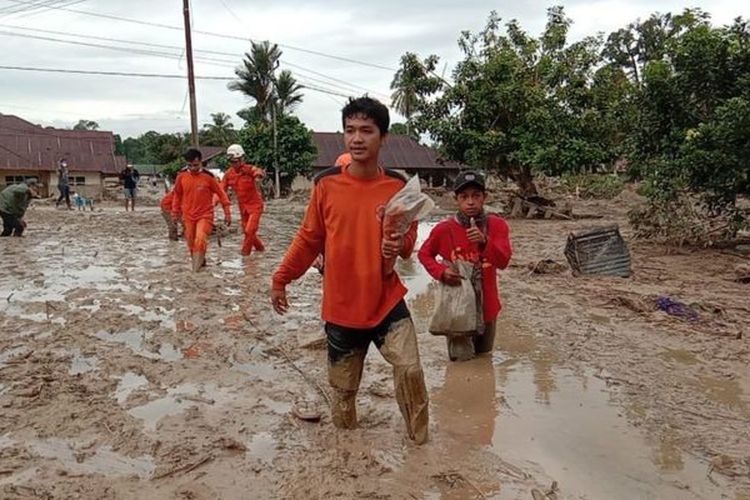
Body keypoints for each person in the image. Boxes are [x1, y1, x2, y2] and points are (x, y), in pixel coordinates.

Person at [271, 97, 429, 444]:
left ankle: (421, 446)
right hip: (342, 308)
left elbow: (406, 247)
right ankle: (348, 451)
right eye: (350, 130)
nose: (357, 138)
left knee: (411, 370)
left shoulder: (398, 185)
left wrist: (396, 243)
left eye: (366, 131)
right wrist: (281, 279)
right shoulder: (326, 184)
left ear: (383, 137)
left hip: (387, 302)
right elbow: (309, 239)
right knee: (343, 396)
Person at [418, 171, 512, 361]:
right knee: (460, 363)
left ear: (484, 197)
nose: (470, 202)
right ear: (456, 200)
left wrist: (485, 242)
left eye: (476, 196)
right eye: (464, 197)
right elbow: (423, 254)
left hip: (488, 308)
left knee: (484, 358)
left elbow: (503, 262)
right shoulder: (444, 229)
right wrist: (441, 272)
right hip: (456, 308)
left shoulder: (497, 225)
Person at [171, 149, 231, 272]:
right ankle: (200, 262)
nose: (192, 168)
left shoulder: (208, 177)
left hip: (205, 215)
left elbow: (221, 194)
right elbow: (177, 195)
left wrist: (227, 213)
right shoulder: (181, 176)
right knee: (191, 241)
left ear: (201, 162)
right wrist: (175, 212)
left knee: (200, 238)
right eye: (189, 165)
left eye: (195, 165)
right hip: (188, 216)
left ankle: (195, 272)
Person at [222, 144, 266, 256]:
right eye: (231, 162)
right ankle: (261, 251)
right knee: (248, 232)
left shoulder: (249, 169)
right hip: (243, 208)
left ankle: (245, 256)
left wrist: (258, 177)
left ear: (242, 159)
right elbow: (221, 191)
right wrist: (214, 203)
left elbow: (257, 171)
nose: (234, 164)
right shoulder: (228, 174)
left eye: (236, 161)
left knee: (249, 231)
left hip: (255, 206)